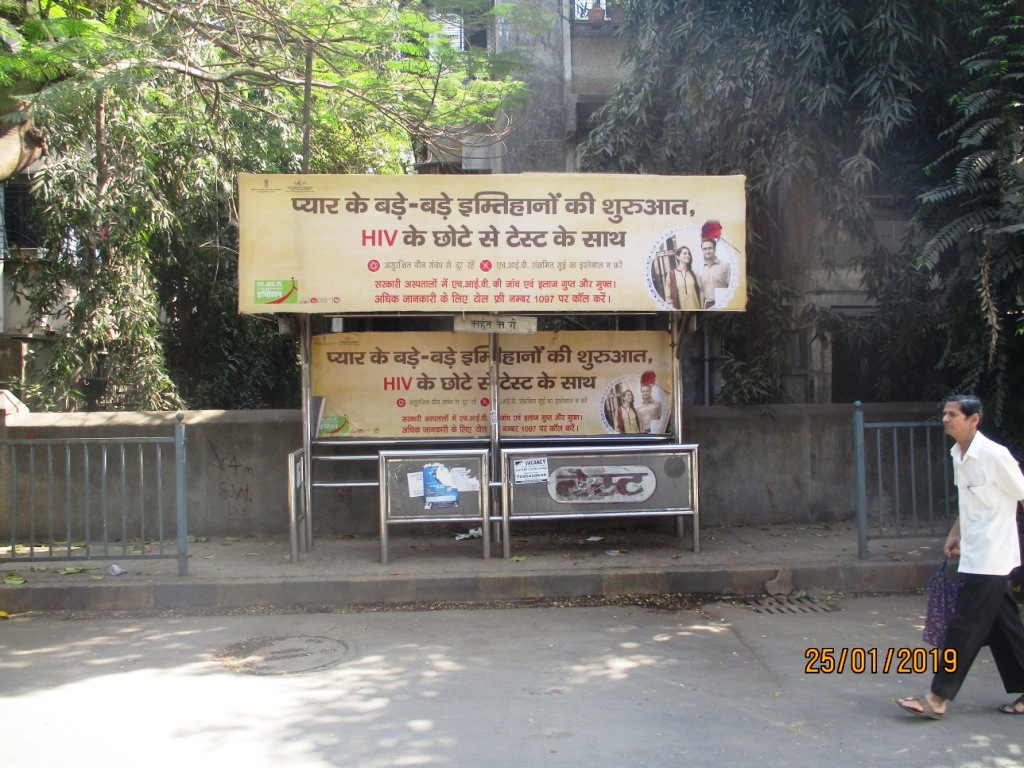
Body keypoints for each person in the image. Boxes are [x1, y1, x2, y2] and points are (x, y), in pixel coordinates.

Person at [896, 394, 1024, 720]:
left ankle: (937, 698)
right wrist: (956, 533)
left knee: (964, 628)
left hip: (992, 558)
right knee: (1005, 627)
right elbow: (966, 503)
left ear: (974, 419)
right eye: (944, 413)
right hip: (975, 554)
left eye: (953, 414)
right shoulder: (959, 454)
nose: (946, 419)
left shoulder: (995, 456)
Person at [666, 246, 703, 311]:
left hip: (696, 309)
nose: (687, 255)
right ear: (678, 257)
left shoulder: (694, 273)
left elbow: (701, 292)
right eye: (684, 253)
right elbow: (668, 296)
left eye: (689, 254)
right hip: (681, 313)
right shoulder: (671, 274)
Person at [697, 238, 730, 309]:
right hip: (708, 305)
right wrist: (702, 309)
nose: (707, 251)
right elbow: (702, 291)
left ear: (715, 249)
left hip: (724, 304)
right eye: (704, 249)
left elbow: (731, 287)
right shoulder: (699, 270)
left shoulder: (725, 265)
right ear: (702, 251)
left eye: (710, 248)